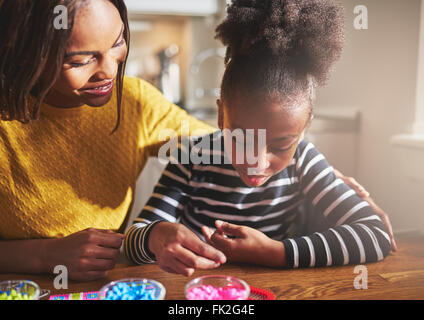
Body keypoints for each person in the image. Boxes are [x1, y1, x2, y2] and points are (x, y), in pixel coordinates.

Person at [0, 0, 395, 282]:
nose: (109, 71)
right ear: (28, 52)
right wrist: (46, 254)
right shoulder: (193, 158)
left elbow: (234, 138)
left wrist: (320, 176)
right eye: (80, 59)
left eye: (118, 43)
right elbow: (148, 225)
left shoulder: (137, 102)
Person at [124, 0, 395, 277]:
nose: (257, 161)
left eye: (281, 145)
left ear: (305, 126)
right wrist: (154, 235)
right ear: (220, 116)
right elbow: (134, 240)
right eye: (242, 139)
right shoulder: (191, 158)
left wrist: (274, 252)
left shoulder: (304, 160)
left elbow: (375, 235)